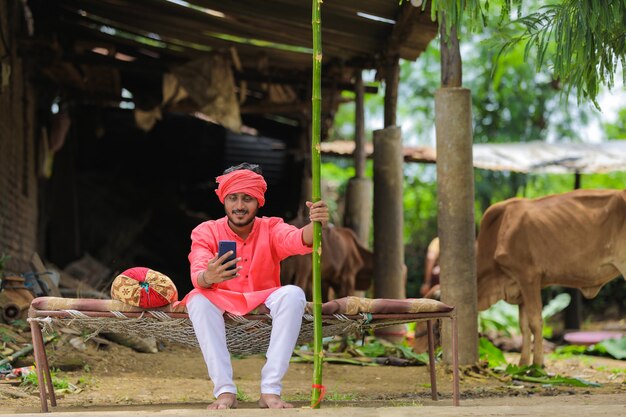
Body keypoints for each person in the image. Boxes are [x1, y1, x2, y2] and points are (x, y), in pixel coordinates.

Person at [181, 162, 329, 410]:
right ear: (223, 200)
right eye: (233, 198)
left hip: (264, 300)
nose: (239, 206)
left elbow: (297, 239)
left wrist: (316, 224)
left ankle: (270, 390)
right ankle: (225, 391)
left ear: (259, 201)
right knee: (197, 298)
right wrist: (209, 276)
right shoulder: (206, 231)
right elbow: (197, 274)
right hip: (222, 301)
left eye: (247, 198)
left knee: (293, 294)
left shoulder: (271, 227)